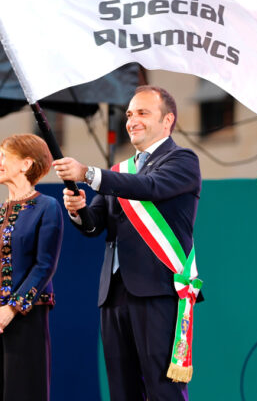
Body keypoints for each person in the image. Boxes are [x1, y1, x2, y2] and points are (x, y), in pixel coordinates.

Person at [54, 85, 201, 401]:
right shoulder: (121, 170)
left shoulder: (183, 160)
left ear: (167, 120)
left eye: (143, 113)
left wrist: (88, 173)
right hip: (114, 292)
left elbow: (150, 186)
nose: (132, 120)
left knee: (164, 389)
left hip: (158, 289)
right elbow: (95, 226)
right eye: (130, 114)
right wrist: (79, 211)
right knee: (121, 389)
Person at [0, 133, 64, 401]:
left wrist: (12, 308)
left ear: (25, 164)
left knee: (23, 390)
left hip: (25, 317)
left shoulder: (47, 207)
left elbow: (45, 265)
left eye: (3, 156)